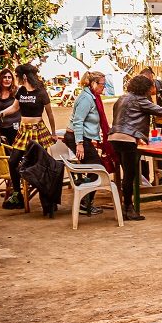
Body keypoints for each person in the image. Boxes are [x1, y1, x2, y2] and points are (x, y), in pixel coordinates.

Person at [108, 75, 162, 221]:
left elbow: (121, 119)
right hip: (127, 139)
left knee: (127, 175)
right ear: (145, 88)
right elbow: (161, 110)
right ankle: (128, 208)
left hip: (114, 137)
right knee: (130, 176)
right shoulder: (140, 100)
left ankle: (126, 207)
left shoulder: (121, 99)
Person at [0, 63, 57, 210]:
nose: (17, 79)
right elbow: (15, 108)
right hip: (23, 130)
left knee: (41, 163)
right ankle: (17, 194)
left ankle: (46, 197)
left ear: (25, 76)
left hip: (37, 130)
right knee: (13, 161)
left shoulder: (41, 92)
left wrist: (53, 133)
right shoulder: (21, 91)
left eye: (18, 76)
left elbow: (50, 113)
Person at [63, 71, 107, 216]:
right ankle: (84, 202)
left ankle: (84, 198)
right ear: (93, 84)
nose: (104, 87)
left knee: (93, 168)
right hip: (76, 137)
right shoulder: (86, 99)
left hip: (82, 137)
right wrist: (79, 144)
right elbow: (78, 121)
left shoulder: (91, 97)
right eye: (102, 84)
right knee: (97, 168)